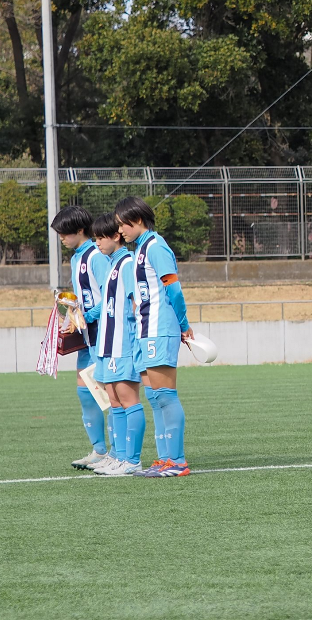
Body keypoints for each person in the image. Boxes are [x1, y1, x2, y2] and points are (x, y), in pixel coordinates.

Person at [116, 196, 193, 477]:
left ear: (136, 220)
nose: (120, 231)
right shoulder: (141, 249)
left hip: (160, 329)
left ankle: (178, 461)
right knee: (154, 396)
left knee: (166, 395)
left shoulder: (156, 247)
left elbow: (174, 289)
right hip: (145, 330)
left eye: (122, 225)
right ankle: (164, 459)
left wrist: (184, 324)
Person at [51, 205, 107, 470]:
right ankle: (99, 451)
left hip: (104, 335)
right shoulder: (76, 258)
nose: (61, 237)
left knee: (109, 395)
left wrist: (90, 315)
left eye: (64, 232)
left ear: (80, 229)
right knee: (85, 393)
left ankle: (120, 454)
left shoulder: (97, 255)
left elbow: (110, 293)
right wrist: (71, 317)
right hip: (86, 336)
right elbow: (85, 296)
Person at [89, 214, 143, 477]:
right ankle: (118, 455)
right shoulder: (112, 264)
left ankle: (132, 460)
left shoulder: (128, 264)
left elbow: (137, 302)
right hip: (107, 344)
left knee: (128, 400)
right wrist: (85, 314)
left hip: (124, 344)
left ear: (116, 236)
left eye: (100, 237)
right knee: (113, 401)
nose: (96, 242)